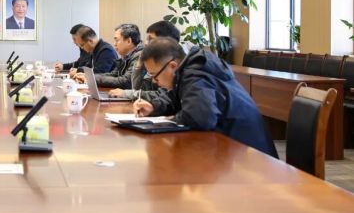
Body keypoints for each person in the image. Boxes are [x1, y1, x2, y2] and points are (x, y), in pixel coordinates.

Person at [133, 37, 278, 157]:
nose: (154, 81)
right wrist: (154, 106)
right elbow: (177, 98)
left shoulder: (196, 74)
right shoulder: (188, 70)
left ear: (172, 66)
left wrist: (170, 119)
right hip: (235, 148)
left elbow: (200, 117)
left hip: (250, 155)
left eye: (155, 75)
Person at [75, 24, 143, 92]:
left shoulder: (140, 56)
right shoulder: (126, 56)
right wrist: (89, 77)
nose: (114, 44)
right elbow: (113, 74)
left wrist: (92, 79)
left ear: (128, 41)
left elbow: (126, 82)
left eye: (117, 40)